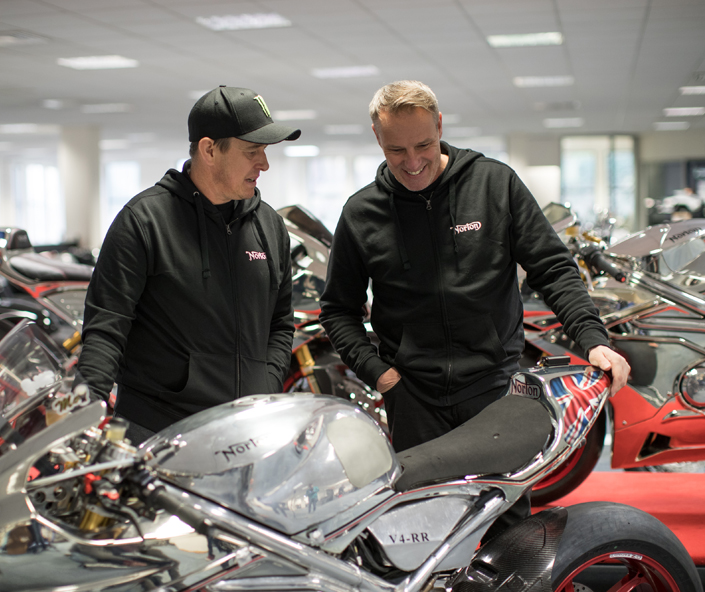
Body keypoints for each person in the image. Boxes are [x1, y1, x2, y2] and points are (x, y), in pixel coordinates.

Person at [319, 80, 629, 534]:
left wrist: (593, 339)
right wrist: (381, 375)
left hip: (494, 390)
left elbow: (552, 267)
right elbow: (338, 309)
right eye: (396, 150)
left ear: (440, 126)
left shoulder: (493, 183)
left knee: (506, 527)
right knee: (424, 528)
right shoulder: (362, 212)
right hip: (413, 396)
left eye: (423, 144)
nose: (412, 162)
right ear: (376, 138)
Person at [77, 85, 300, 443]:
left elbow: (280, 323)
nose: (264, 164)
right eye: (252, 151)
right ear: (209, 149)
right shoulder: (145, 221)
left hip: (246, 436)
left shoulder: (269, 226)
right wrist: (84, 415)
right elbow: (106, 329)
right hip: (158, 433)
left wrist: (266, 386)